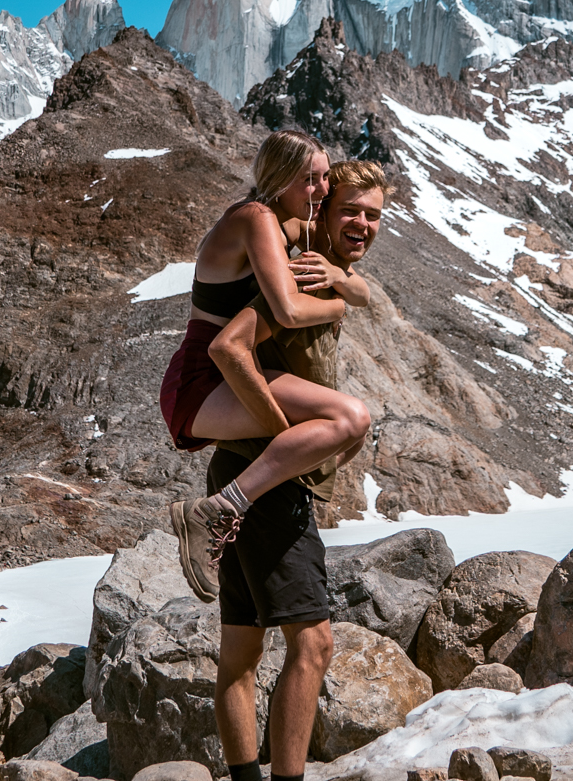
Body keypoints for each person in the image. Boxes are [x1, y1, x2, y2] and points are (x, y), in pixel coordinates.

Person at [201, 162, 389, 781]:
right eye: (350, 211)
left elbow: (364, 295)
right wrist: (289, 444)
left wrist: (347, 285)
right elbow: (234, 342)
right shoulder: (298, 268)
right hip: (264, 485)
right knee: (314, 645)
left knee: (242, 651)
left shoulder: (323, 271)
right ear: (322, 210)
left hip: (243, 470)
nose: (362, 224)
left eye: (374, 215)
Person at [158, 131, 372, 597]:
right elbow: (289, 310)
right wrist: (337, 307)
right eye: (309, 180)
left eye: (323, 180)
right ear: (279, 178)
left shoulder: (288, 220)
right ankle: (215, 510)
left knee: (345, 427)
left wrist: (339, 277)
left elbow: (362, 288)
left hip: (231, 375)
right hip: (201, 381)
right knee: (349, 417)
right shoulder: (257, 218)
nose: (320, 191)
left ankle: (226, 508)